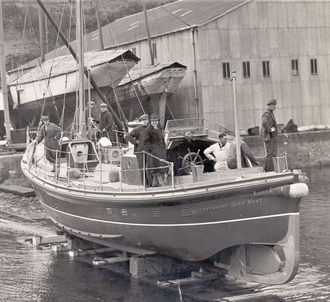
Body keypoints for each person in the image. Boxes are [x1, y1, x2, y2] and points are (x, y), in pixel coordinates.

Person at [143, 113, 168, 187]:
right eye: (153, 121)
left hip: (161, 151)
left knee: (160, 168)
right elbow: (146, 142)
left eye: (156, 121)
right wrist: (152, 149)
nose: (155, 122)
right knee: (157, 170)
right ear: (150, 121)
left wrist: (164, 147)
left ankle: (154, 184)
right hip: (153, 153)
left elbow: (162, 139)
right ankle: (162, 184)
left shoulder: (159, 129)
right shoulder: (147, 130)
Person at [126, 114, 149, 183]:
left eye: (146, 120)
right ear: (140, 121)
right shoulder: (137, 129)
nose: (145, 122)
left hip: (149, 151)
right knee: (142, 168)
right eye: (143, 120)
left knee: (150, 167)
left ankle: (150, 183)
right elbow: (128, 136)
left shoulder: (150, 128)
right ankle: (145, 183)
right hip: (140, 151)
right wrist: (135, 141)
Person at [260, 99, 278, 172]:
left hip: (272, 137)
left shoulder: (270, 113)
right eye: (273, 106)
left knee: (272, 153)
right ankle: (269, 170)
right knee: (270, 154)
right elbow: (264, 123)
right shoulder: (267, 114)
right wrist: (270, 130)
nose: (274, 107)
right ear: (270, 106)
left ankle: (271, 169)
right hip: (269, 137)